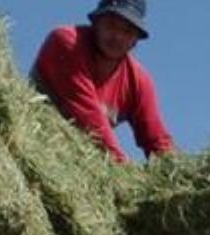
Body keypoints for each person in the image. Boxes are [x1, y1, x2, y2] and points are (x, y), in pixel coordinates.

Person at [31, 0, 174, 163]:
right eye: (111, 25)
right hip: (38, 140)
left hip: (81, 161)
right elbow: (87, 115)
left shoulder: (138, 81)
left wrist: (178, 172)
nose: (117, 36)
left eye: (127, 31)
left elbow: (157, 139)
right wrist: (123, 170)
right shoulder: (67, 42)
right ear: (96, 23)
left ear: (135, 40)